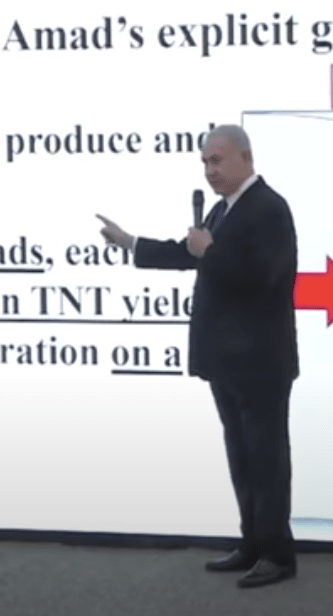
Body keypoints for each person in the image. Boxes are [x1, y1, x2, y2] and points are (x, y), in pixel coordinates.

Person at [95, 124, 299, 588]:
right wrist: (132, 243)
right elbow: (192, 255)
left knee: (266, 460)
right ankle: (252, 543)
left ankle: (277, 554)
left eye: (217, 161)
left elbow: (268, 278)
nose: (209, 171)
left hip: (260, 363)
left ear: (246, 158)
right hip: (226, 361)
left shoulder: (269, 208)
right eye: (205, 163)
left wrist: (211, 251)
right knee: (241, 457)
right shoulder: (224, 209)